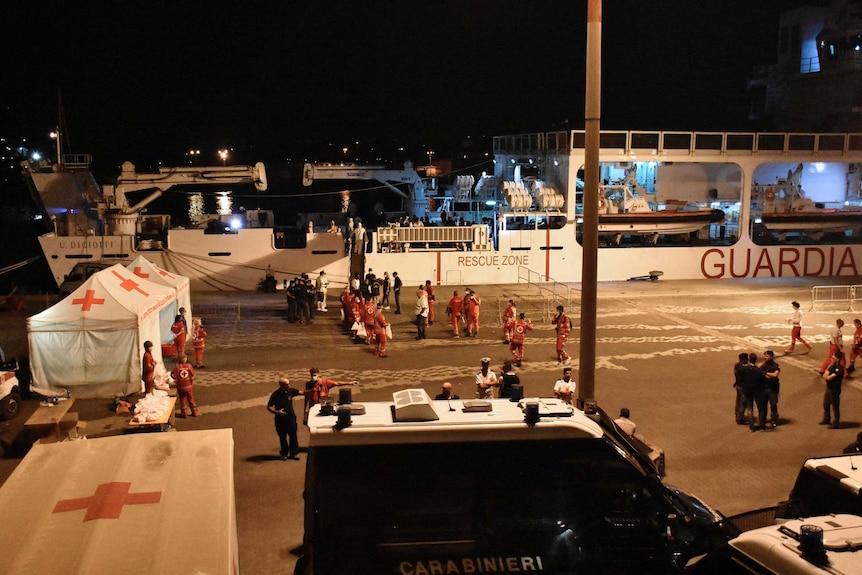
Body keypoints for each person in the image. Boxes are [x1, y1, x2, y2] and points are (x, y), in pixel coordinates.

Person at [267, 376, 307, 460]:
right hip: (280, 420)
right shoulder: (275, 395)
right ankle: (284, 453)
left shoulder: (290, 391)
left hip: (291, 418)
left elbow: (302, 392)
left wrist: (312, 391)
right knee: (282, 437)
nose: (289, 385)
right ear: (281, 385)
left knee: (293, 436)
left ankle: (293, 453)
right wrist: (277, 412)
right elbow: (269, 406)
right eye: (287, 384)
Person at [741, 352, 767, 431]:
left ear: (749, 360)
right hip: (757, 391)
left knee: (749, 408)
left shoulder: (745, 369)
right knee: (761, 408)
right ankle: (762, 425)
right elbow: (763, 380)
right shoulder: (758, 371)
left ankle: (752, 425)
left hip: (748, 391)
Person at [170, 354, 199, 418]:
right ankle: (195, 412)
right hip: (188, 386)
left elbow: (173, 376)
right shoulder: (188, 366)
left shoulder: (177, 367)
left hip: (181, 387)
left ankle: (184, 413)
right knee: (191, 399)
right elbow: (193, 374)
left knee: (182, 399)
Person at [821, 351, 845, 429]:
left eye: (833, 357)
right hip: (829, 388)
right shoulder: (832, 366)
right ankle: (827, 419)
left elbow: (828, 377)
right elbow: (825, 375)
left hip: (835, 390)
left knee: (835, 406)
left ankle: (836, 423)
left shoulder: (839, 369)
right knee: (826, 404)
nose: (831, 358)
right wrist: (826, 376)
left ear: (837, 359)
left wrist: (827, 376)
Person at [760, 350, 781, 428]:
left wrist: (765, 373)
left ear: (771, 357)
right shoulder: (763, 365)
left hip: (773, 388)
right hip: (764, 388)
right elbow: (757, 370)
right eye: (765, 356)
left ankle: (773, 420)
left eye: (767, 356)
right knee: (763, 405)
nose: (765, 357)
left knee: (773, 404)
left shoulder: (775, 365)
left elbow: (775, 375)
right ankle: (763, 420)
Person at [732, 352, 748, 425]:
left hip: (737, 385)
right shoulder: (743, 368)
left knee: (738, 401)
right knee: (743, 402)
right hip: (743, 387)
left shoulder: (737, 366)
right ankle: (740, 418)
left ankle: (737, 414)